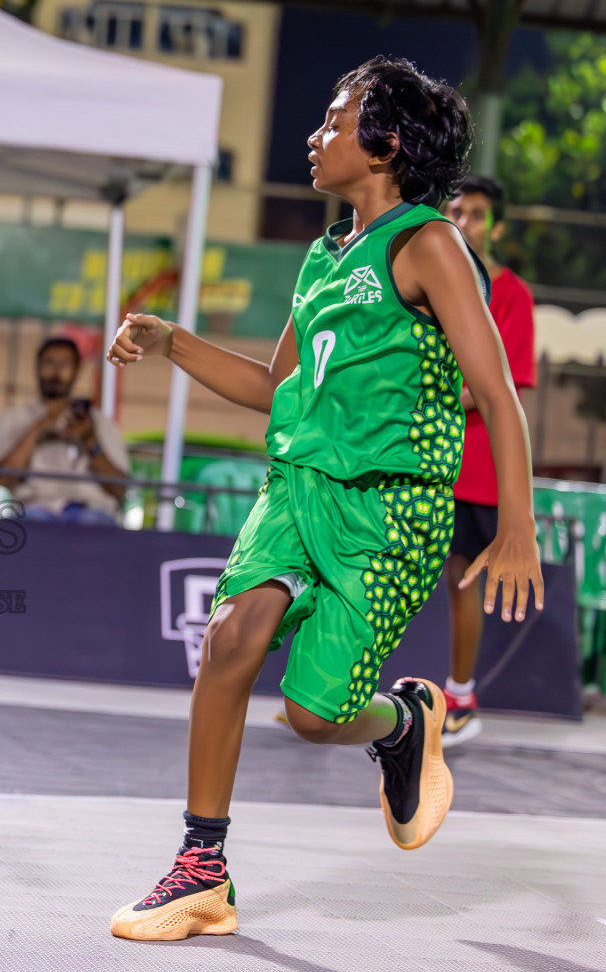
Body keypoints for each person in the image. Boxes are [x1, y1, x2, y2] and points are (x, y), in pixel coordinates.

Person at [104, 56, 541, 941]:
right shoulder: (320, 256)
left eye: (333, 121)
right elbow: (278, 387)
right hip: (297, 490)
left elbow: (496, 392)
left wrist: (519, 528)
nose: (313, 136)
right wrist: (173, 341)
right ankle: (202, 869)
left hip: (388, 513)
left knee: (315, 717)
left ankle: (402, 720)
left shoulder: (430, 244)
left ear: (382, 145)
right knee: (230, 637)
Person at [439, 175, 536, 746]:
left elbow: (505, 383)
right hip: (423, 458)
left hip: (475, 467)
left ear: (494, 225)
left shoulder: (513, 294)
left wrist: (437, 398)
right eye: (456, 210)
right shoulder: (436, 281)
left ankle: (461, 696)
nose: (465, 222)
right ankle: (336, 690)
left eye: (476, 214)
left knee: (460, 580)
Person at [0, 337, 128, 523]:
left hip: (91, 514)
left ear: (77, 370)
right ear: (37, 367)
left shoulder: (99, 422)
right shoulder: (14, 419)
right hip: (34, 512)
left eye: (65, 364)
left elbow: (121, 490)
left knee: (93, 523)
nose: (56, 371)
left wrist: (90, 441)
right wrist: (37, 431)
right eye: (50, 363)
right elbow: (2, 481)